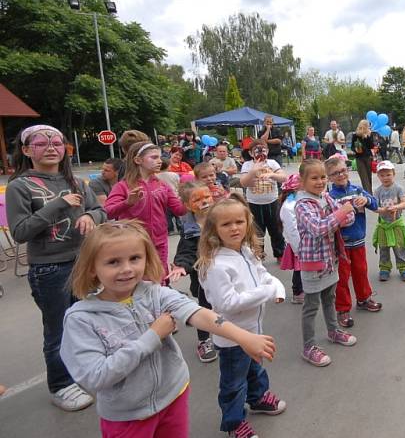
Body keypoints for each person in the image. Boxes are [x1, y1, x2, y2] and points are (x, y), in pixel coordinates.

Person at [60, 220, 276, 438]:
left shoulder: (155, 293)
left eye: (134, 258)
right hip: (127, 417)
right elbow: (95, 376)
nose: (126, 269)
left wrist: (243, 337)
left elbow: (199, 313)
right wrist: (152, 336)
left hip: (174, 396)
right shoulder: (82, 319)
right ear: (91, 269)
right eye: (113, 262)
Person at [5, 124, 106, 412]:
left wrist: (90, 215)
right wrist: (57, 205)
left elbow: (101, 210)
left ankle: (82, 371)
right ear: (26, 150)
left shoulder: (75, 181)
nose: (51, 147)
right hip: (50, 269)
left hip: (84, 264)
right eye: (41, 143)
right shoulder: (19, 186)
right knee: (58, 330)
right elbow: (21, 232)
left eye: (57, 143)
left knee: (86, 321)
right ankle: (60, 385)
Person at [196, 197, 287, 438]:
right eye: (226, 224)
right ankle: (234, 423)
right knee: (234, 384)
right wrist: (266, 292)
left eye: (239, 221)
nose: (234, 227)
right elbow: (227, 304)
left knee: (255, 368)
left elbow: (263, 274)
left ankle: (257, 398)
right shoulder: (216, 265)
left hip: (254, 330)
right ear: (214, 229)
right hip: (232, 338)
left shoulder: (245, 251)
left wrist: (276, 287)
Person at [293, 159, 357, 367]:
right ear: (302, 181)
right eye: (314, 178)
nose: (320, 182)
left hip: (330, 260)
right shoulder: (302, 205)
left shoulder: (325, 196)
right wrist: (340, 214)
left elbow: (350, 218)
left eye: (322, 177)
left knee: (330, 298)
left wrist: (341, 214)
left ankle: (333, 331)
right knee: (311, 306)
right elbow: (319, 228)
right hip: (313, 264)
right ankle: (308, 346)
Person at [105, 141, 187, 282]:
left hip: (159, 243)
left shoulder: (162, 185)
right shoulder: (123, 186)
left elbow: (179, 210)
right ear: (138, 160)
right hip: (133, 243)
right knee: (137, 282)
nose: (159, 161)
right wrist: (127, 203)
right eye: (154, 157)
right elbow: (108, 211)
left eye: (160, 157)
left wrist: (193, 200)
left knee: (159, 281)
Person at [325, 155, 382, 328]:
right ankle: (343, 309)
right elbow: (328, 220)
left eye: (343, 170)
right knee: (342, 277)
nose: (341, 175)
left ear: (348, 170)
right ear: (329, 177)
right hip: (340, 245)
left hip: (358, 241)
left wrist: (367, 200)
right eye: (335, 173)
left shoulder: (357, 190)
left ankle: (364, 299)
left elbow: (374, 203)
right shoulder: (329, 196)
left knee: (361, 271)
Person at [172, 181, 218, 363]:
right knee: (204, 307)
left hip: (225, 273)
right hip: (202, 276)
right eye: (197, 199)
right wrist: (182, 265)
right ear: (187, 205)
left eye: (207, 196)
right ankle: (204, 340)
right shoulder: (189, 228)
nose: (204, 201)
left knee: (226, 304)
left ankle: (230, 333)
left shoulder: (220, 217)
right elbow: (186, 251)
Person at [239, 139, 287, 261]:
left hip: (272, 202)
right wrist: (253, 171)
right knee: (256, 231)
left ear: (268, 151)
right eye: (257, 150)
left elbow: (284, 177)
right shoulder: (247, 165)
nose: (260, 152)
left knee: (276, 229)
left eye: (263, 150)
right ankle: (258, 255)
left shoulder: (272, 163)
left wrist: (272, 175)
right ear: (251, 153)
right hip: (254, 203)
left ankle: (280, 253)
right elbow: (243, 183)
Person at [372, 160, 405, 281]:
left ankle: (404, 268)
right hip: (383, 225)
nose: (385, 178)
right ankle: (384, 268)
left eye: (388, 174)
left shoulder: (399, 188)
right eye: (382, 175)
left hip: (397, 224)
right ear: (378, 176)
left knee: (399, 247)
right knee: (383, 248)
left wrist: (395, 207)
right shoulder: (378, 191)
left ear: (393, 174)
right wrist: (382, 210)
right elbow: (374, 208)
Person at [278, 174, 305, 304]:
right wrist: (298, 248)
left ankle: (301, 290)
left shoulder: (297, 200)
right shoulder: (289, 205)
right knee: (299, 269)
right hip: (298, 244)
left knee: (302, 268)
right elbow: (292, 229)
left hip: (302, 242)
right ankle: (298, 292)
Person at [351, 119, 374, 194]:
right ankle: (368, 194)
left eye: (366, 126)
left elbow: (371, 146)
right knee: (364, 177)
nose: (366, 127)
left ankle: (370, 194)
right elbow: (352, 146)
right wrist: (356, 150)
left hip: (368, 157)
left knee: (369, 177)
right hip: (359, 158)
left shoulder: (369, 134)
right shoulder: (355, 135)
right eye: (365, 125)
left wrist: (367, 137)